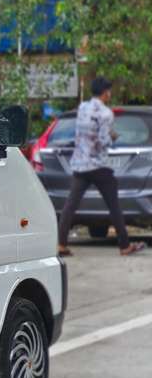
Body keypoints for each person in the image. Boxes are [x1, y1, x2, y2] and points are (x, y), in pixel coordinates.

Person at [58, 77, 146, 256]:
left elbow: (84, 131)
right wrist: (113, 136)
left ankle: (61, 243)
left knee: (70, 205)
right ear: (106, 92)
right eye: (109, 91)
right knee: (113, 205)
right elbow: (103, 141)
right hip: (98, 165)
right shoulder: (106, 113)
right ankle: (124, 245)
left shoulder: (82, 107)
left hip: (80, 164)